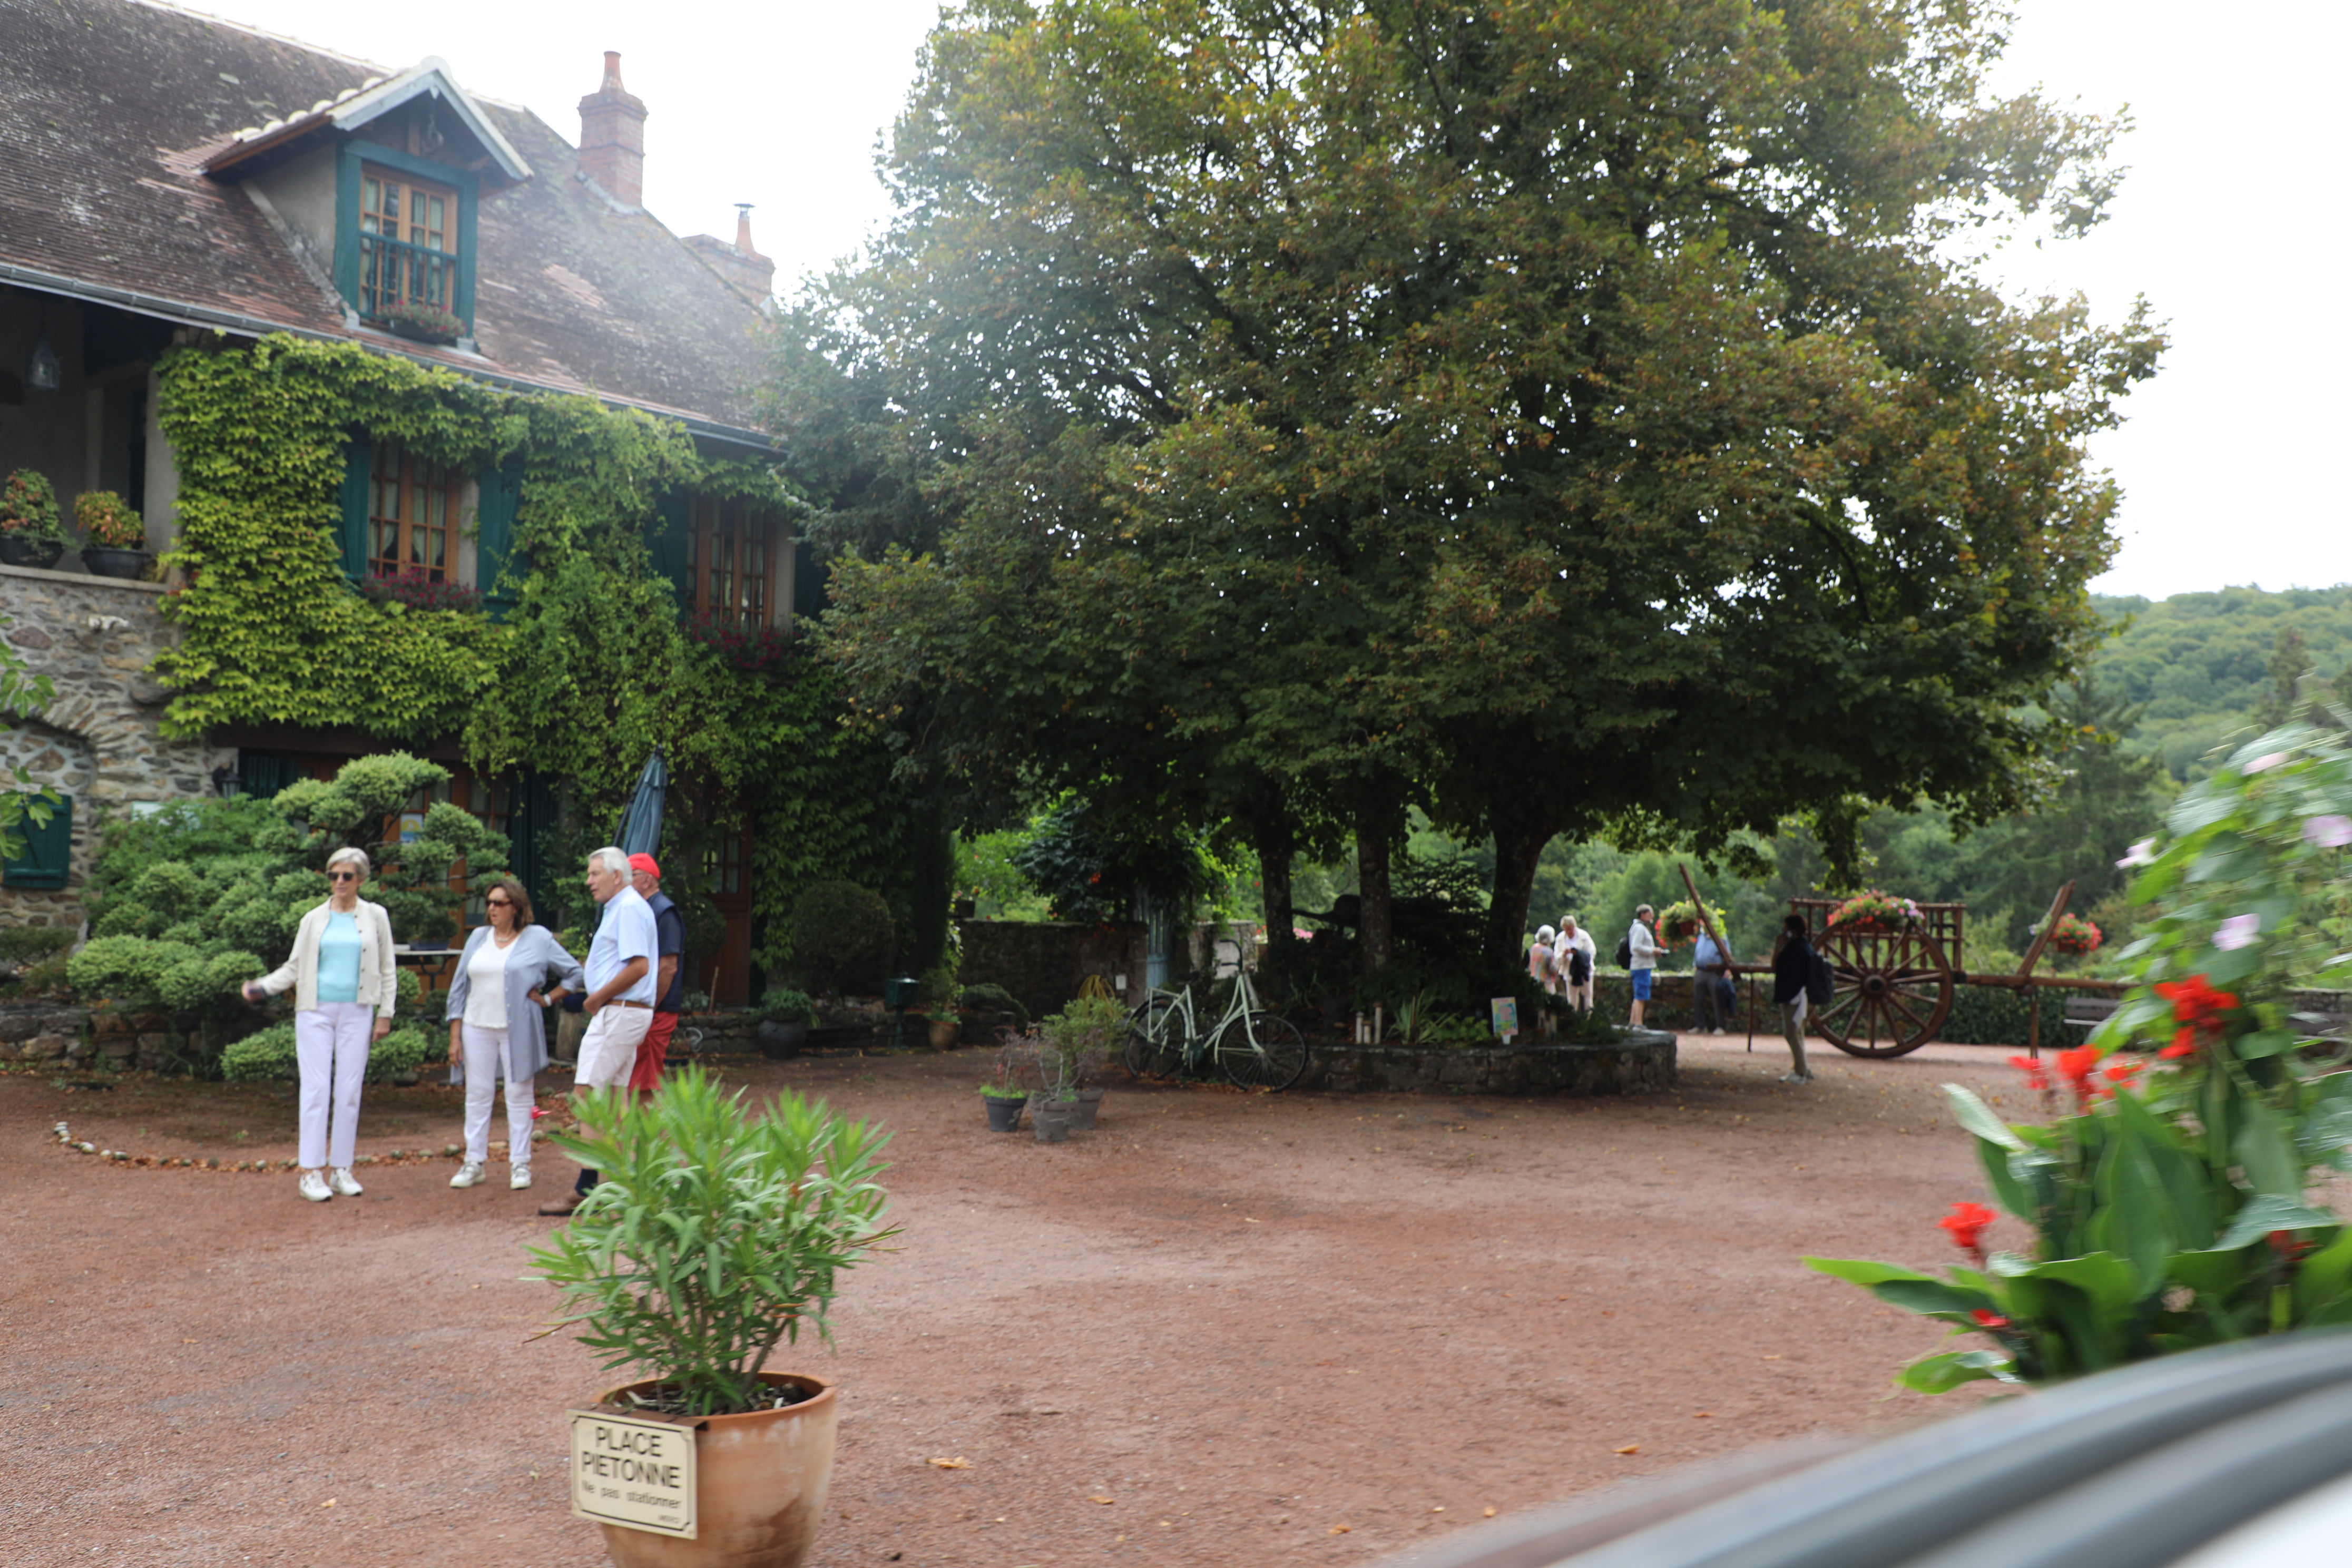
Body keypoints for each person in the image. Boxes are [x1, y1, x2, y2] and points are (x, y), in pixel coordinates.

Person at [241, 846, 396, 1203]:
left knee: (350, 1091)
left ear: (361, 879)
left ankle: (342, 1169)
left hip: (358, 1011)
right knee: (316, 1089)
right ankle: (311, 1172)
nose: (339, 882)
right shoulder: (313, 918)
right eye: (333, 875)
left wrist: (385, 1013)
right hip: (315, 1011)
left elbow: (388, 967)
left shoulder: (376, 916)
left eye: (347, 876)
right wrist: (263, 987)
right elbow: (294, 967)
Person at [442, 875, 585, 1192]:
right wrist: (455, 1035)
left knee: (520, 1094)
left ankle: (520, 1163)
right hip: (476, 1026)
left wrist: (548, 999)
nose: (491, 909)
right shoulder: (478, 937)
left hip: (518, 1029)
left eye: (499, 903)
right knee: (477, 1094)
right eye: (489, 903)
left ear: (516, 907)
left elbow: (575, 973)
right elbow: (459, 987)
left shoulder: (538, 938)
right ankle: (474, 1162)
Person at [539, 846, 655, 1217]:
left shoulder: (628, 907)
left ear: (616, 876)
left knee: (587, 1094)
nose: (588, 881)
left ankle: (587, 1188)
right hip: (622, 1011)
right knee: (615, 1101)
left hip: (618, 1010)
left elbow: (639, 966)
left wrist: (596, 998)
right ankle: (629, 1188)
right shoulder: (623, 907)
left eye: (594, 874)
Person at [626, 852, 685, 1095]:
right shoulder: (642, 908)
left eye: (631, 875)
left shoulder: (664, 911)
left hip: (657, 1010)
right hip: (646, 1007)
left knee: (645, 1079)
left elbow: (668, 967)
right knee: (636, 1076)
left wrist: (650, 1006)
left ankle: (645, 1121)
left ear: (647, 880)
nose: (626, 881)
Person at [1771, 913, 1818, 1084]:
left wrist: (1779, 946)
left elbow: (1775, 966)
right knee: (1797, 1034)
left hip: (1796, 998)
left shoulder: (1793, 950)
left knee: (1792, 1034)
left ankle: (1801, 1072)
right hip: (1805, 996)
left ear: (1793, 931)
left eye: (1786, 929)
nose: (1783, 932)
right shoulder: (1806, 947)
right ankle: (1803, 1068)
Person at [1692, 927, 1736, 1035]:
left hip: (1715, 972)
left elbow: (1727, 954)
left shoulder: (1720, 937)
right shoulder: (1701, 937)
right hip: (1701, 970)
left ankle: (1720, 1026)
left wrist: (1727, 970)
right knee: (1698, 999)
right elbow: (1698, 952)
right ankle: (1700, 1026)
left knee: (1717, 999)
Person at [1626, 905, 1660, 1028]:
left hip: (1640, 966)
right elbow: (1636, 947)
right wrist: (1653, 951)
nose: (1652, 916)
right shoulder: (1640, 929)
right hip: (1641, 966)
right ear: (1643, 915)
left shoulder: (1638, 928)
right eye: (1650, 914)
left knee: (1638, 995)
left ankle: (1633, 1022)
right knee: (1641, 995)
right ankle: (1638, 1023)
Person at [1558, 917, 1595, 1013]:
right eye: (1567, 929)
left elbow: (1591, 952)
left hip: (1585, 970)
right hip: (1570, 971)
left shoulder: (1584, 936)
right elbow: (1557, 958)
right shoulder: (1560, 939)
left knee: (1588, 996)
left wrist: (1578, 954)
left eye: (1571, 929)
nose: (1570, 932)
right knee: (1572, 998)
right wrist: (1564, 954)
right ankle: (1573, 1018)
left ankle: (1588, 1017)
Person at [1527, 925, 1558, 997]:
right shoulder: (1548, 951)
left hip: (1533, 980)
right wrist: (1559, 966)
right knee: (1551, 1000)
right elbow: (1553, 969)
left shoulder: (1533, 948)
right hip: (1546, 982)